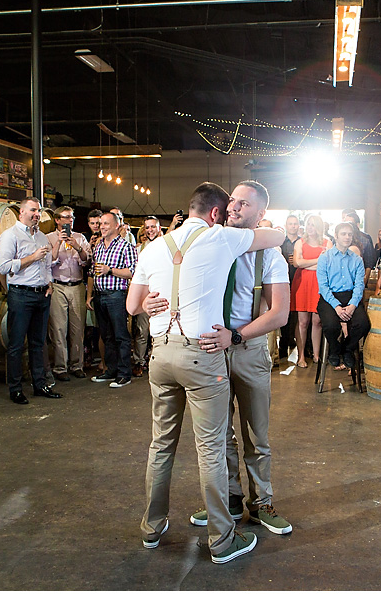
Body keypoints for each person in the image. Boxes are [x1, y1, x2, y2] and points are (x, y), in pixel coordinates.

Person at [126, 182, 284, 563]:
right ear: (216, 212)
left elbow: (132, 306)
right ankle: (222, 534)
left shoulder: (156, 245)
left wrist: (150, 302)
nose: (233, 208)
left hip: (168, 352)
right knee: (213, 445)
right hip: (203, 354)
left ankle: (153, 527)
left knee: (163, 443)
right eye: (229, 203)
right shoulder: (220, 240)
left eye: (243, 204)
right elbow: (278, 231)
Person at [0, 197, 61, 405]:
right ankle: (15, 389)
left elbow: (47, 266)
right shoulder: (10, 236)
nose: (36, 214)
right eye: (33, 210)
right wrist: (31, 258)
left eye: (38, 211)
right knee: (16, 344)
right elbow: (3, 267)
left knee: (38, 343)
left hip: (42, 295)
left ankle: (40, 385)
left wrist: (49, 283)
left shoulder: (41, 237)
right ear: (21, 212)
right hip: (21, 295)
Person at [87, 211, 138, 388]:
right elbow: (92, 271)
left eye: (106, 224)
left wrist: (110, 270)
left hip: (116, 295)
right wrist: (91, 294)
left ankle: (125, 374)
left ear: (116, 226)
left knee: (120, 336)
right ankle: (111, 370)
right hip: (100, 295)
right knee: (106, 336)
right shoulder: (99, 246)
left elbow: (132, 272)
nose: (102, 227)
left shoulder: (125, 246)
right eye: (100, 224)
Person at [317, 222, 371, 370]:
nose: (347, 237)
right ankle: (335, 350)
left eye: (349, 234)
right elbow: (323, 287)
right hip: (329, 298)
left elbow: (359, 285)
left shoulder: (357, 260)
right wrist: (337, 307)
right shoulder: (325, 258)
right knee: (331, 325)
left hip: (351, 296)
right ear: (336, 236)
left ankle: (346, 349)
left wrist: (353, 305)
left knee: (363, 324)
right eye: (343, 234)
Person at [46, 206, 92, 381]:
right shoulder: (49, 238)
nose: (69, 221)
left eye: (71, 217)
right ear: (57, 220)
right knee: (58, 329)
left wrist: (78, 247)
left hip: (77, 285)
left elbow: (87, 260)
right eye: (65, 217)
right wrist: (59, 242)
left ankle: (76, 365)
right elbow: (49, 261)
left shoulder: (79, 237)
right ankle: (60, 367)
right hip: (58, 286)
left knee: (77, 328)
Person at [291, 214, 331, 368]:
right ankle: (300, 356)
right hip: (302, 283)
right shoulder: (300, 243)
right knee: (302, 321)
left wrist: (307, 264)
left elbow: (328, 265)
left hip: (320, 283)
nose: (310, 228)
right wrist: (318, 261)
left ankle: (316, 355)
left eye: (313, 225)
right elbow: (297, 263)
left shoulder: (327, 243)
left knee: (317, 321)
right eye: (308, 224)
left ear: (319, 227)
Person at [131, 216, 162, 378]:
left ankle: (155, 360)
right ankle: (139, 361)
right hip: (146, 296)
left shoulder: (166, 246)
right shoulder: (138, 249)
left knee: (159, 330)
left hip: (162, 295)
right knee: (142, 331)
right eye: (147, 227)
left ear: (159, 228)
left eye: (153, 227)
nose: (150, 230)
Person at [278, 215, 301, 360]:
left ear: (299, 226)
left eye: (295, 224)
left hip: (300, 279)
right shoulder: (280, 242)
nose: (293, 226)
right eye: (290, 224)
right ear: (286, 226)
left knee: (299, 315)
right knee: (285, 313)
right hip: (283, 280)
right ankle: (283, 347)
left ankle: (303, 346)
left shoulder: (302, 242)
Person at [85, 208, 104, 368]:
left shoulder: (107, 240)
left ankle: (102, 358)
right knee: (88, 325)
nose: (96, 226)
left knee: (101, 325)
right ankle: (87, 356)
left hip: (103, 285)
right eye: (93, 223)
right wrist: (89, 247)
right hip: (86, 283)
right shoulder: (84, 238)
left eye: (98, 223)